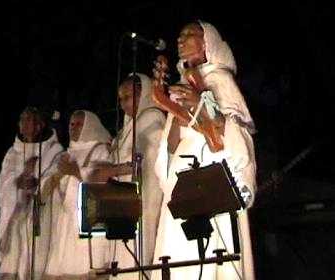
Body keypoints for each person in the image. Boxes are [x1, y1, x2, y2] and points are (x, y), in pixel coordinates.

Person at [151, 20, 257, 280]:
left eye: (189, 34)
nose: (180, 39)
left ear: (207, 41)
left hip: (214, 176)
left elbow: (236, 133)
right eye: (179, 34)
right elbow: (171, 144)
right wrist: (176, 114)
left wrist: (201, 104)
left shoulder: (220, 79)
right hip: (182, 180)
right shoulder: (180, 86)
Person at [91, 73, 165, 278]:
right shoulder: (128, 128)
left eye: (128, 97)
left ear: (143, 94)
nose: (123, 103)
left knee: (138, 260)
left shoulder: (152, 117)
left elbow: (148, 161)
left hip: (143, 201)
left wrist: (113, 170)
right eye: (121, 99)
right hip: (122, 203)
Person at [0, 107, 64, 280]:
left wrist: (36, 183)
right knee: (13, 260)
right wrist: (18, 182)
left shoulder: (54, 150)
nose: (23, 124)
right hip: (16, 216)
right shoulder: (13, 153)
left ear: (39, 125)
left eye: (28, 120)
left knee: (35, 259)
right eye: (21, 120)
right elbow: (3, 184)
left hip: (41, 217)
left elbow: (55, 177)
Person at [42, 110, 112, 279]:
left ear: (90, 125)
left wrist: (75, 171)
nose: (73, 128)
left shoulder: (101, 150)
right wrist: (55, 178)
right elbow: (45, 190)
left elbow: (105, 184)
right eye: (71, 124)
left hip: (89, 225)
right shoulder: (67, 154)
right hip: (66, 227)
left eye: (79, 124)